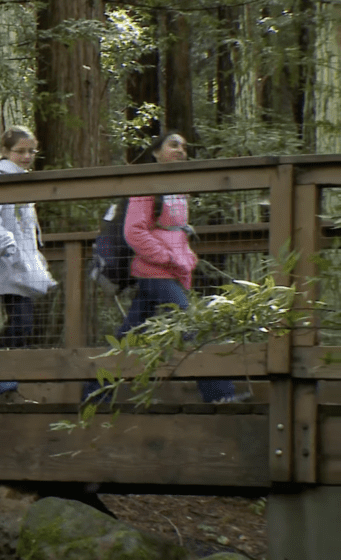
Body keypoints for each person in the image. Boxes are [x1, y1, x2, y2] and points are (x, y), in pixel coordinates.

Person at [83, 131, 238, 403]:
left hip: (170, 273)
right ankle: (220, 394)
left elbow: (175, 231)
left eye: (184, 147)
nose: (180, 150)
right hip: (154, 272)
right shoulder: (147, 185)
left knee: (128, 337)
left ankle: (94, 395)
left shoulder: (178, 188)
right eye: (173, 145)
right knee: (193, 326)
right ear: (156, 152)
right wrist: (168, 258)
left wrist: (186, 258)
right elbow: (134, 232)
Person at [0, 126, 58, 402]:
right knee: (22, 325)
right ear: (6, 152)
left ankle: (3, 383)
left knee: (22, 326)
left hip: (22, 262)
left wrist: (34, 257)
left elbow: (27, 226)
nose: (27, 156)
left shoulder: (21, 180)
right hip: (6, 262)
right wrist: (10, 249)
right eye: (20, 151)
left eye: (31, 151)